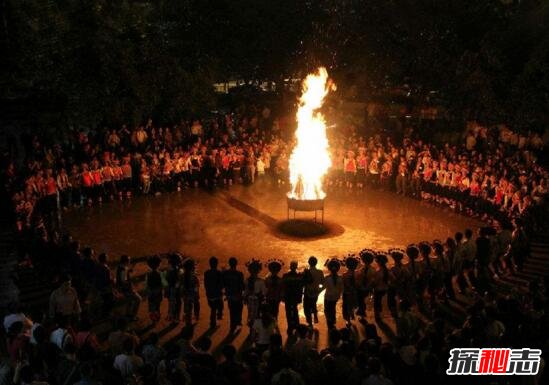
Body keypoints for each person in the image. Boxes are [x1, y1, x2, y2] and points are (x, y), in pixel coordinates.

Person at [116, 255, 141, 320]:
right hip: (127, 289)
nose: (129, 262)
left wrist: (128, 271)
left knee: (130, 301)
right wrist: (131, 288)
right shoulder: (123, 270)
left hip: (124, 289)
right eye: (128, 261)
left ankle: (128, 314)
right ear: (125, 261)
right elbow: (123, 281)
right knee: (138, 299)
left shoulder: (121, 267)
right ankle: (133, 316)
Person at [223, 257, 245, 332]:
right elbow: (242, 286)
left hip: (229, 295)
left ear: (229, 264)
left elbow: (223, 284)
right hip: (238, 295)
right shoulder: (239, 274)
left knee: (232, 311)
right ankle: (238, 322)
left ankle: (232, 326)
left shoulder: (225, 273)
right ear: (236, 264)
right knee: (239, 309)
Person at [281, 261, 303, 335]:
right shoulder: (299, 276)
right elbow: (301, 288)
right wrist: (300, 297)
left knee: (289, 311)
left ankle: (290, 325)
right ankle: (295, 325)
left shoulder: (286, 275)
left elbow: (283, 287)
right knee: (294, 310)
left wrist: (283, 296)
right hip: (294, 296)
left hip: (288, 296)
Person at [302, 256, 324, 327]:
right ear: (316, 263)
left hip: (307, 292)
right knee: (313, 304)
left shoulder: (306, 272)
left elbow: (303, 283)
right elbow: (323, 283)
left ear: (309, 263)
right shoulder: (320, 272)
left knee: (306, 308)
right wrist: (319, 290)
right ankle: (315, 314)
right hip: (315, 292)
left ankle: (310, 322)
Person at [204, 256, 224, 328]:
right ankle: (219, 316)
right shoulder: (219, 273)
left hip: (209, 294)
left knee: (213, 308)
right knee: (219, 305)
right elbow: (221, 284)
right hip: (217, 294)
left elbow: (205, 283)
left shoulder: (206, 273)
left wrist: (207, 292)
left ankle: (213, 322)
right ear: (216, 264)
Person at [244, 259, 266, 327]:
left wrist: (245, 298)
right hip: (257, 299)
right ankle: (255, 327)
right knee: (257, 314)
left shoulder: (247, 280)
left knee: (251, 313)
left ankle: (252, 326)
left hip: (250, 299)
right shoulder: (261, 281)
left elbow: (246, 291)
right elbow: (264, 292)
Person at [324, 258, 343, 329]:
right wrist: (338, 295)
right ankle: (333, 321)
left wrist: (317, 292)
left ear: (329, 269)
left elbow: (323, 287)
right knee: (332, 308)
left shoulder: (327, 278)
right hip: (335, 297)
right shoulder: (340, 278)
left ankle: (330, 322)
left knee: (327, 310)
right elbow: (341, 289)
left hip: (328, 297)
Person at [357, 249, 376, 320]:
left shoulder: (362, 269)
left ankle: (362, 312)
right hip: (367, 288)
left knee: (360, 300)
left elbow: (359, 278)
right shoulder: (373, 269)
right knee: (362, 300)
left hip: (362, 288)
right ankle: (362, 312)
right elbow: (373, 280)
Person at [342, 254, 360, 327]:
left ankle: (348, 320)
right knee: (353, 304)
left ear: (346, 265)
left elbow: (344, 285)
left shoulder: (344, 275)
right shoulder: (358, 273)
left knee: (346, 306)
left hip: (347, 293)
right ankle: (352, 313)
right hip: (355, 292)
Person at [181, 258, 200, 325]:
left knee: (187, 307)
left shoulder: (182, 276)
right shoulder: (194, 277)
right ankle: (196, 315)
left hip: (186, 294)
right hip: (193, 294)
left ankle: (188, 319)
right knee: (196, 304)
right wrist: (196, 294)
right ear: (193, 267)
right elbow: (197, 286)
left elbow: (181, 285)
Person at [145, 255, 163, 324]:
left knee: (152, 307)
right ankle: (156, 318)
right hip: (157, 293)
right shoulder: (159, 274)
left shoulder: (149, 274)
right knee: (157, 307)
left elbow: (147, 285)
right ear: (158, 264)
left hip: (151, 293)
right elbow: (161, 284)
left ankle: (153, 320)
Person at [94, 253, 113, 317]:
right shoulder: (106, 268)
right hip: (105, 287)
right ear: (105, 259)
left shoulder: (97, 266)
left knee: (102, 300)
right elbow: (108, 280)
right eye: (107, 258)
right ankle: (106, 313)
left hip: (98, 286)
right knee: (108, 300)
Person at [165, 253, 182, 323]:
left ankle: (171, 317)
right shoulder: (176, 270)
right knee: (178, 303)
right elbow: (178, 281)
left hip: (170, 289)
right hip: (175, 290)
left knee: (172, 304)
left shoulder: (169, 269)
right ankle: (176, 318)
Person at [373, 253, 389, 317]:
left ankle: (377, 314)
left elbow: (376, 282)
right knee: (379, 301)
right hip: (385, 288)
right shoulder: (387, 270)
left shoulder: (379, 271)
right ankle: (379, 312)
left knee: (377, 302)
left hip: (378, 289)